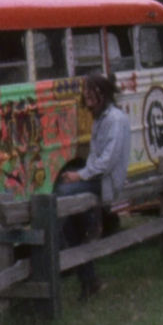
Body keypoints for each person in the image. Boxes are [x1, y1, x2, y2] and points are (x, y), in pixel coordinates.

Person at [56, 71, 131, 300]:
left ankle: (92, 221)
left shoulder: (115, 119)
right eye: (85, 93)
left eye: (91, 93)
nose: (86, 97)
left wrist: (80, 176)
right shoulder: (100, 119)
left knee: (60, 196)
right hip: (96, 179)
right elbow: (94, 157)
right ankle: (89, 280)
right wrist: (80, 175)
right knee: (68, 217)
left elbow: (107, 162)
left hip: (107, 182)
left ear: (103, 93)